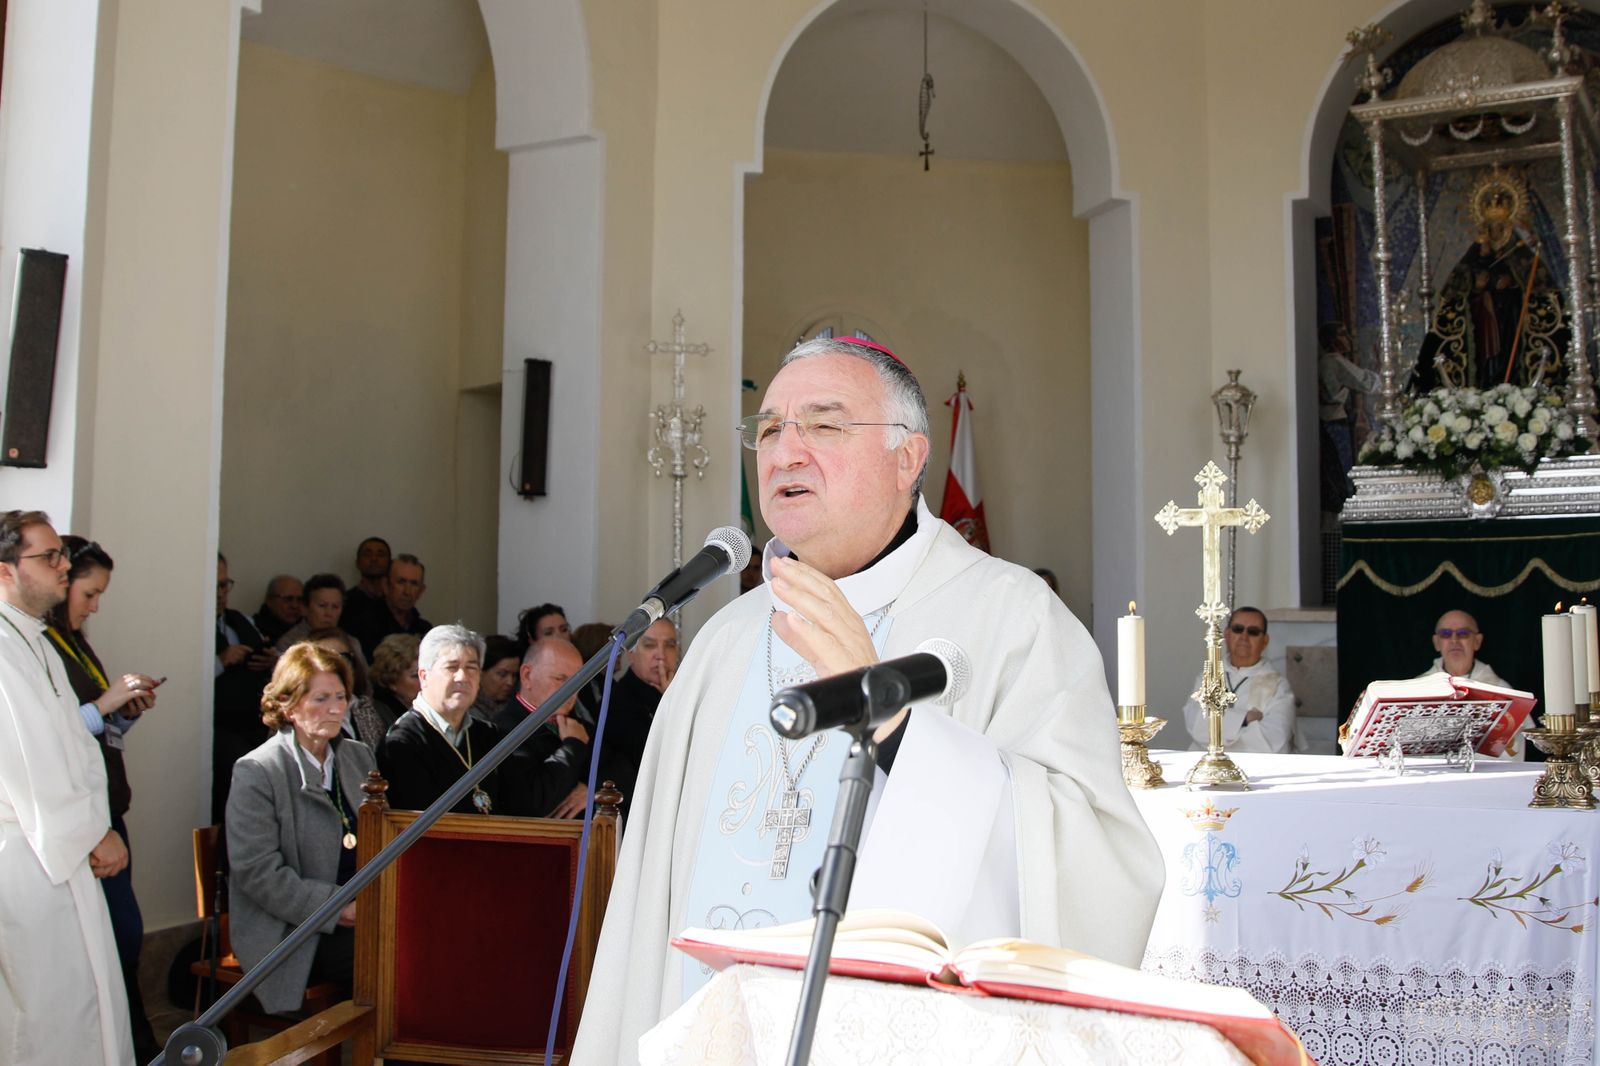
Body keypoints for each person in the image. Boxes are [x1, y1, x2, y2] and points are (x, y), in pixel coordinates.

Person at [571, 337, 1161, 1063]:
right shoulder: (724, 643)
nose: (785, 451)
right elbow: (648, 910)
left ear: (908, 459)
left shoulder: (1012, 619)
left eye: (822, 425)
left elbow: (1096, 861)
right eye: (767, 430)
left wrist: (900, 730)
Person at [0, 510, 133, 1064]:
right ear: (5, 569)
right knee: (48, 1012)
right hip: (31, 854)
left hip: (60, 848)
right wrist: (92, 832)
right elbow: (27, 760)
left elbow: (73, 744)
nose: (63, 567)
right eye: (48, 557)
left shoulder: (36, 640)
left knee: (85, 998)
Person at [44, 536, 162, 1061]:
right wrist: (106, 702)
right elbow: (53, 734)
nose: (94, 606)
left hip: (110, 803)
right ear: (62, 581)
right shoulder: (38, 643)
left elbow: (94, 731)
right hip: (79, 818)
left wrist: (122, 713)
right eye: (89, 593)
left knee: (124, 942)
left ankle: (134, 1043)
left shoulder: (75, 639)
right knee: (117, 937)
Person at [226, 643, 374, 1014]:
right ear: (289, 707)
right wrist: (339, 909)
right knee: (390, 960)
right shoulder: (259, 771)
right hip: (293, 930)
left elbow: (382, 837)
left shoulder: (357, 756)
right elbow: (258, 874)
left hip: (363, 915)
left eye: (341, 696)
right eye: (321, 698)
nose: (336, 708)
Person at [377, 624, 531, 815]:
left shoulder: (492, 735)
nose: (463, 677)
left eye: (471, 668)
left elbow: (519, 808)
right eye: (451, 667)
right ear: (424, 676)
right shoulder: (403, 741)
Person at [572, 618, 677, 825]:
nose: (661, 655)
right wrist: (671, 704)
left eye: (670, 645)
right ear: (631, 653)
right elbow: (648, 764)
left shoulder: (683, 694)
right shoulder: (615, 703)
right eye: (649, 645)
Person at [491, 638, 592, 817]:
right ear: (527, 676)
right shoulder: (503, 731)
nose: (572, 690)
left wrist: (592, 789)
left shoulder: (579, 725)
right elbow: (532, 802)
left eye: (578, 681)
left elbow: (625, 769)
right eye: (560, 679)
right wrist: (573, 746)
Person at [214, 552, 278, 822]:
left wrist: (272, 661)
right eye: (215, 585)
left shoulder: (241, 620)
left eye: (224, 585)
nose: (220, 594)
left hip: (256, 720)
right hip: (221, 727)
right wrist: (220, 661)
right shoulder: (188, 624)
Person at [1181, 606, 1296, 754]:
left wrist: (1221, 736)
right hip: (1208, 765)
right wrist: (1245, 719)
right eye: (1238, 629)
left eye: (1253, 632)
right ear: (1227, 635)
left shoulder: (1278, 685)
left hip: (1257, 767)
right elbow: (1196, 723)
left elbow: (1272, 739)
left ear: (1265, 641)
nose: (1244, 636)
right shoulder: (1209, 676)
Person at [1420, 608, 1528, 760]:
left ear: (1477, 641)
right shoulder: (1418, 690)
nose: (1454, 640)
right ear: (1436, 642)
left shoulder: (1501, 692)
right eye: (1446, 634)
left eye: (1463, 633)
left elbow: (1512, 749)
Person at [306, 627, 387, 749]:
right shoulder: (301, 714)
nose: (337, 668)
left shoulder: (367, 708)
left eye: (343, 658)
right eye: (326, 661)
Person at [345, 554, 430, 660]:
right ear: (385, 585)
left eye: (414, 584)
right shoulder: (362, 623)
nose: (407, 591)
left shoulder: (425, 631)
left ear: (421, 591)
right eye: (401, 582)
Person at [367, 633, 421, 734]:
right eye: (415, 676)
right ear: (392, 680)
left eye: (425, 673)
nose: (424, 681)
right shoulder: (373, 715)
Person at [471, 634, 524, 725]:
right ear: (481, 673)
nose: (510, 682)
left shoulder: (518, 707)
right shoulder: (466, 712)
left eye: (514, 675)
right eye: (502, 674)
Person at [253, 574, 305, 646]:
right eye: (287, 599)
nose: (294, 606)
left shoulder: (309, 630)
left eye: (300, 600)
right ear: (269, 600)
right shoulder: (253, 630)